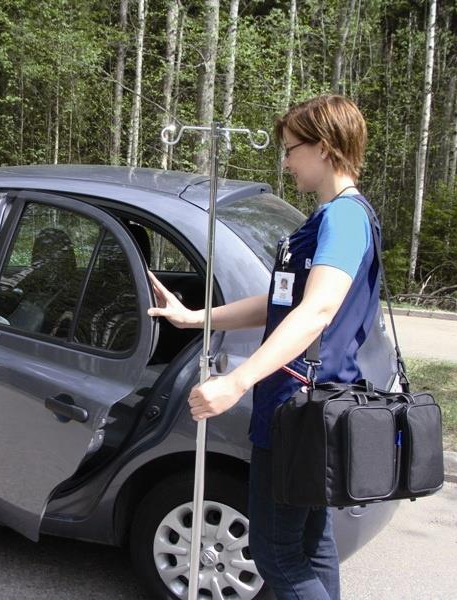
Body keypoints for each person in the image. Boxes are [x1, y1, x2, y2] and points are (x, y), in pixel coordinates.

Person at [147, 94, 381, 600]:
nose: (287, 160)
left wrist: (237, 380)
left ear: (324, 148)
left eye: (293, 149)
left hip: (299, 409)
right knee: (313, 545)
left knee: (275, 551)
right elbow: (277, 302)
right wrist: (195, 318)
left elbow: (317, 310)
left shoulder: (343, 218)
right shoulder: (331, 217)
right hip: (308, 409)